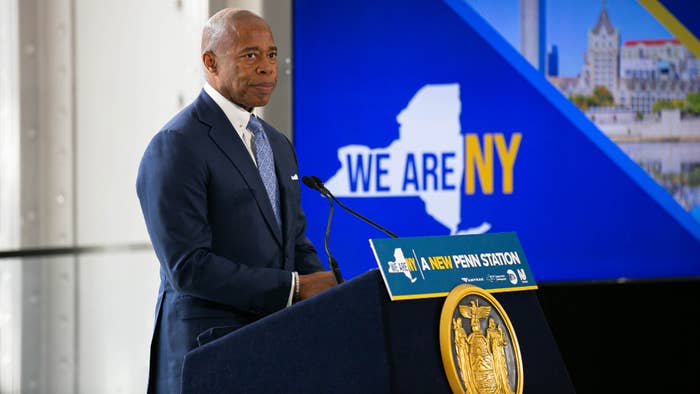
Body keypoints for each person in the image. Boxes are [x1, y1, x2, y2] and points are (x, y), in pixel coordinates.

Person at [135, 8, 336, 394]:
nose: (266, 67)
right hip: (208, 354)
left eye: (272, 55)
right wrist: (295, 287)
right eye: (250, 55)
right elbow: (188, 266)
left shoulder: (276, 144)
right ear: (210, 62)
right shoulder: (177, 145)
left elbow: (292, 241)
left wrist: (336, 288)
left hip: (276, 349)